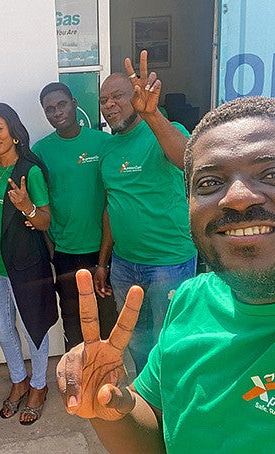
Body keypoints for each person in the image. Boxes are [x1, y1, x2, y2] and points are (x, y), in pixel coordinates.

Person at [56, 96, 275, 452]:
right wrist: (110, 407)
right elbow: (158, 429)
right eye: (209, 183)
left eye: (274, 174)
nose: (237, 197)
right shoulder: (191, 301)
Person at [95, 51, 198, 374]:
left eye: (117, 96)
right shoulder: (108, 149)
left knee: (170, 340)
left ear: (136, 97)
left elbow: (188, 161)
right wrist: (103, 262)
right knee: (137, 339)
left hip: (169, 262)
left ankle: (173, 403)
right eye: (103, 99)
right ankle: (148, 395)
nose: (109, 104)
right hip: (125, 266)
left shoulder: (166, 130)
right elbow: (113, 206)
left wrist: (152, 116)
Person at [0, 102, 57, 425]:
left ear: (14, 133)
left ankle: (38, 385)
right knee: (1, 326)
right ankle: (19, 379)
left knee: (33, 326)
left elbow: (46, 222)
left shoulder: (29, 171)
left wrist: (27, 207)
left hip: (27, 267)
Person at [32, 82, 117, 351]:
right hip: (65, 251)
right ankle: (78, 378)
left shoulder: (103, 142)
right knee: (73, 319)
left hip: (103, 248)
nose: (57, 112)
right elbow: (40, 201)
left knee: (106, 317)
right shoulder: (41, 151)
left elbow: (112, 199)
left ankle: (105, 381)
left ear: (74, 103)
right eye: (49, 109)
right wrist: (51, 248)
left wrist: (104, 257)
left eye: (61, 104)